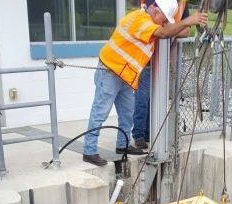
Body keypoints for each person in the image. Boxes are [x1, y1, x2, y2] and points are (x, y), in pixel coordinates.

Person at [83, 1, 208, 166]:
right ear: (156, 12)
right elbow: (163, 33)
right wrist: (186, 21)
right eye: (164, 20)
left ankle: (123, 145)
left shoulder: (148, 19)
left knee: (127, 113)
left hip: (125, 74)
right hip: (110, 71)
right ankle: (89, 151)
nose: (164, 24)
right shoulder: (141, 21)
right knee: (100, 112)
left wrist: (185, 25)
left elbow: (172, 32)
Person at [132, 0, 190, 150]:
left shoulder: (181, 4)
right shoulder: (156, 3)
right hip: (146, 58)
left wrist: (170, 29)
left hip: (163, 59)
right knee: (142, 98)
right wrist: (170, 29)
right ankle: (138, 134)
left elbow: (185, 31)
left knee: (156, 98)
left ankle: (148, 133)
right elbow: (159, 29)